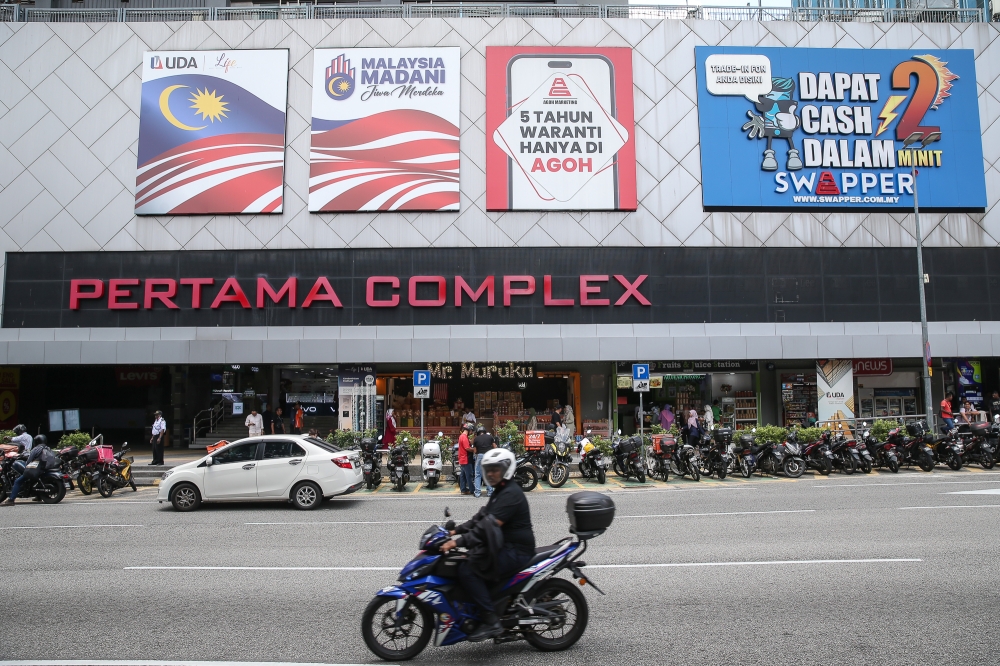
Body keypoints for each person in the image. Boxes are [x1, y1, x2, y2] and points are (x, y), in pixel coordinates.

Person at [439, 448, 534, 642]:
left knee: (468, 569)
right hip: (503, 544)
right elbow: (481, 518)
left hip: (516, 550)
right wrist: (455, 531)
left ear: (506, 469)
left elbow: (485, 529)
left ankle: (491, 621)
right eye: (488, 469)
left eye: (495, 469)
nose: (490, 474)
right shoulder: (501, 490)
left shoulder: (510, 494)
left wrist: (456, 543)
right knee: (466, 560)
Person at [1, 434, 58, 506]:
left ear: (37, 441)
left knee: (18, 481)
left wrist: (27, 464)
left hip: (36, 469)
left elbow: (29, 460)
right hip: (43, 469)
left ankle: (11, 500)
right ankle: (38, 496)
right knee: (33, 481)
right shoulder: (48, 448)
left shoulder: (36, 449)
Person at [472, 425, 496, 498]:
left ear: (478, 432)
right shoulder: (490, 437)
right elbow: (495, 447)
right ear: (485, 431)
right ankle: (490, 492)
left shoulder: (476, 439)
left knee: (478, 474)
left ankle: (477, 493)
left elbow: (475, 451)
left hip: (480, 456)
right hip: (488, 456)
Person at [457, 423, 474, 495]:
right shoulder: (464, 437)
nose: (471, 432)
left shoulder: (462, 436)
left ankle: (463, 490)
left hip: (462, 459)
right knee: (469, 475)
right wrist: (475, 450)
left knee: (463, 475)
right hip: (466, 459)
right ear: (469, 429)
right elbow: (467, 448)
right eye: (471, 430)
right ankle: (472, 490)